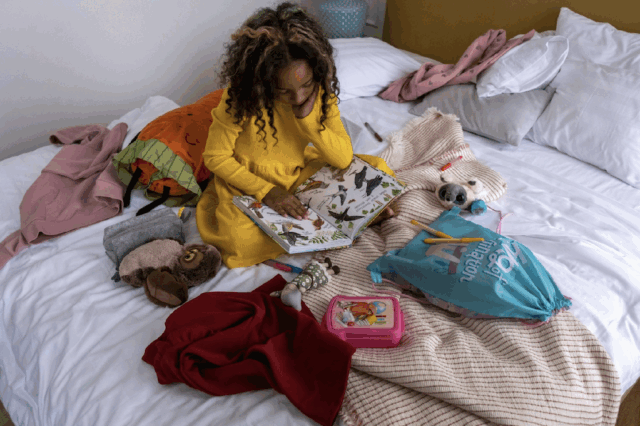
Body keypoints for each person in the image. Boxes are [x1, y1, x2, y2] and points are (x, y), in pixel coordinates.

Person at [196, 1, 395, 268]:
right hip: (248, 182)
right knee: (238, 242)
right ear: (263, 82)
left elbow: (342, 158)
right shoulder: (241, 98)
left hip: (299, 173)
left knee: (379, 170)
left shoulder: (320, 94)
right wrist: (267, 192)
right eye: (284, 91)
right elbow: (215, 157)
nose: (299, 97)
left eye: (306, 85)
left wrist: (308, 121)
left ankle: (347, 219)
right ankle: (351, 220)